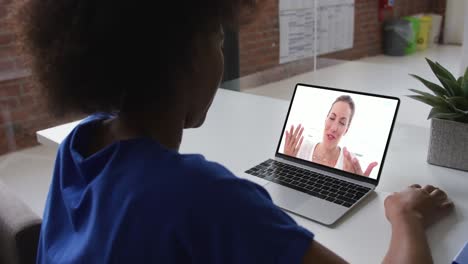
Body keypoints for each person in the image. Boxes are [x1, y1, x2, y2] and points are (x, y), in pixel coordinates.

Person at [12, 0, 454, 263]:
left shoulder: (79, 145)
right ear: (184, 56)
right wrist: (406, 216)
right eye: (218, 42)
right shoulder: (202, 195)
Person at [284, 95, 378, 177]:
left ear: (346, 130)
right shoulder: (299, 148)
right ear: (325, 119)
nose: (334, 128)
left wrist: (358, 188)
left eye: (342, 123)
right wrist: (285, 162)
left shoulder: (349, 163)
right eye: (332, 118)